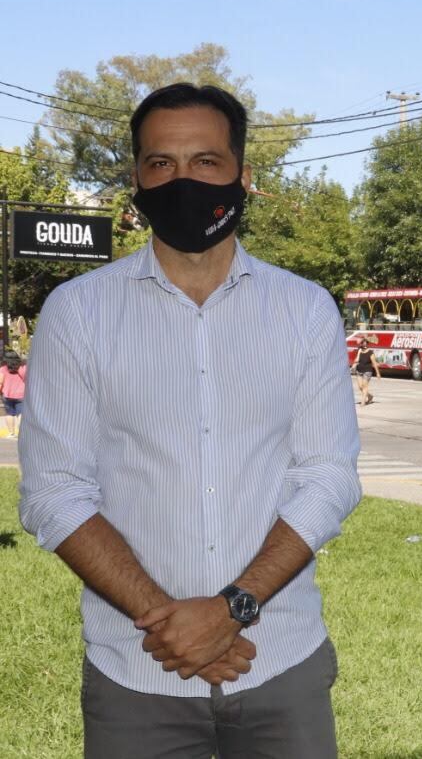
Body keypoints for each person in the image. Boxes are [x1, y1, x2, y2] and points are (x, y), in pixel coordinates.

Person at [18, 83, 361, 758]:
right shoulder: (77, 313)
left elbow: (328, 478)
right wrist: (171, 623)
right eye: (160, 164)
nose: (182, 179)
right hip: (136, 675)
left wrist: (229, 607)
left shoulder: (305, 311)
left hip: (279, 662)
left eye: (205, 161)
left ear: (242, 176)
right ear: (136, 181)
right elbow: (54, 490)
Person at [1, 350, 26, 437]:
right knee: (21, 414)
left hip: (7, 395)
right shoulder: (22, 367)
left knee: (9, 413)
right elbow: (26, 378)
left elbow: (0, 382)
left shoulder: (3, 369)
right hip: (21, 395)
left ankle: (11, 433)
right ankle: (21, 432)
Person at [353, 337, 380, 405]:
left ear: (367, 343)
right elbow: (357, 359)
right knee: (360, 387)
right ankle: (370, 396)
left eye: (365, 342)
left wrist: (377, 373)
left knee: (364, 386)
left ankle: (363, 401)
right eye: (362, 343)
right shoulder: (359, 350)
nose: (364, 344)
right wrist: (354, 363)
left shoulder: (371, 352)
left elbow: (374, 363)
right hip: (359, 370)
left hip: (367, 371)